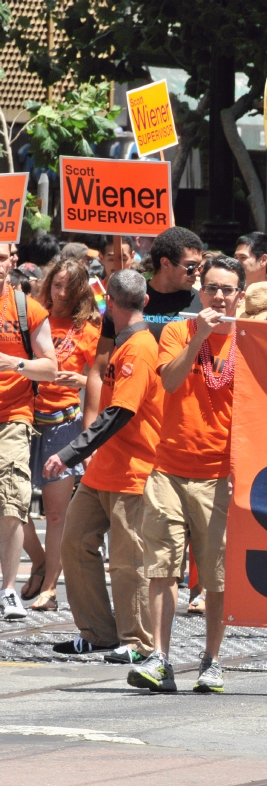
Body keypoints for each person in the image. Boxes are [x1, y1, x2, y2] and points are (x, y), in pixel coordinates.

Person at [125, 256, 244, 694]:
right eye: (211, 287)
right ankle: (161, 658)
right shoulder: (178, 330)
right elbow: (171, 382)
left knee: (216, 575)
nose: (217, 296)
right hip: (167, 470)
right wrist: (200, 338)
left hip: (220, 476)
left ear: (239, 296)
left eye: (227, 289)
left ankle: (212, 660)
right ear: (201, 291)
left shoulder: (250, 343)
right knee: (161, 567)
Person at [46, 270, 163, 662]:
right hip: (104, 469)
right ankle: (98, 632)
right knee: (75, 542)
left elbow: (120, 413)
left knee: (129, 562)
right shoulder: (120, 341)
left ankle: (139, 643)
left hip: (133, 472)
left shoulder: (142, 348)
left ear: (109, 302)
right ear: (144, 301)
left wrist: (68, 453)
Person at [21, 258, 101, 612]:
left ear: (82, 289)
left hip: (64, 422)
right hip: (22, 416)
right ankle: (38, 561)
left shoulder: (90, 329)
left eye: (70, 286)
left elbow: (104, 381)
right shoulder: (32, 317)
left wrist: (82, 381)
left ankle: (50, 587)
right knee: (12, 505)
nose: (63, 292)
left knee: (56, 515)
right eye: (57, 284)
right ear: (48, 283)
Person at [85, 227, 203, 432]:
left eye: (200, 266)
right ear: (165, 263)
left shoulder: (202, 305)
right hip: (128, 418)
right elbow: (100, 369)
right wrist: (89, 430)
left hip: (179, 423)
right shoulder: (128, 298)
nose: (198, 273)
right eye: (191, 267)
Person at [0, 240, 57, 620]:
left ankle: (7, 590)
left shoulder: (26, 310)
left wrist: (14, 363)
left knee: (13, 501)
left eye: (1, 257)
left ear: (12, 261)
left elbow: (50, 369)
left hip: (14, 417)